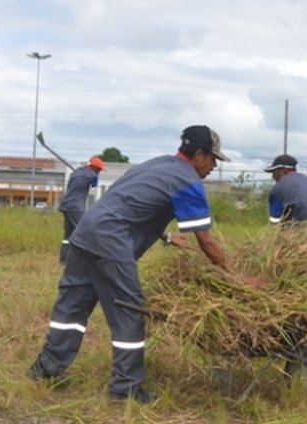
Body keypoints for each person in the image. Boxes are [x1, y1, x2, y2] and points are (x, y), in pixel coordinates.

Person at [28, 125, 241, 404]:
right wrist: (235, 279)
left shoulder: (156, 165)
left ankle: (46, 369)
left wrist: (165, 236)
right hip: (111, 240)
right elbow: (205, 241)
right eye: (213, 159)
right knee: (129, 311)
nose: (214, 166)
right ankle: (126, 387)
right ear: (199, 154)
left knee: (72, 306)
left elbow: (131, 204)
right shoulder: (187, 180)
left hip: (87, 231)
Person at [58, 156, 105, 263]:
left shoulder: (76, 172)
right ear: (94, 168)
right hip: (76, 207)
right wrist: (93, 175)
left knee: (68, 235)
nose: (99, 172)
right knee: (85, 230)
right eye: (98, 170)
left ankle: (64, 259)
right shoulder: (92, 175)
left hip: (66, 206)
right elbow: (94, 185)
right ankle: (92, 258)